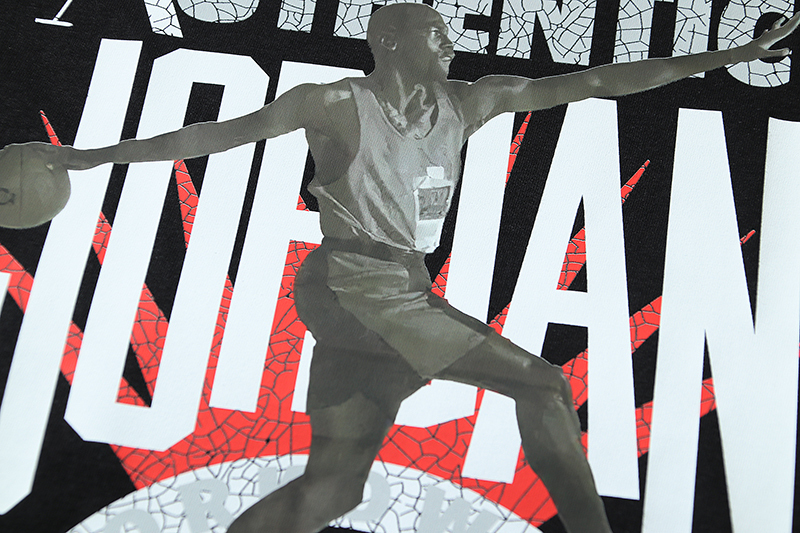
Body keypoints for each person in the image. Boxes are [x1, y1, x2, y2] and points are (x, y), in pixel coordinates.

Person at [3, 4, 798, 532]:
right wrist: (85, 157)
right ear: (390, 42)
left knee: (334, 487)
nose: (451, 43)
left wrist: (729, 54)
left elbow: (593, 80)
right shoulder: (333, 103)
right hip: (352, 284)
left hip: (398, 290)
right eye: (434, 32)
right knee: (545, 385)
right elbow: (210, 137)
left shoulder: (471, 102)